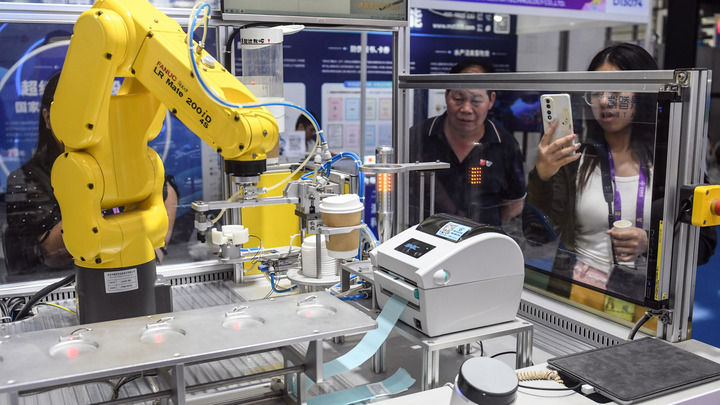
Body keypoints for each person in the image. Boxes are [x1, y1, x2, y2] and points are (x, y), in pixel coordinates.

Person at [3, 73, 179, 281]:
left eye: (94, 113)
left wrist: (153, 256)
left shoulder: (119, 163)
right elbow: (48, 253)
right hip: (57, 284)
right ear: (48, 118)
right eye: (74, 114)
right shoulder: (25, 180)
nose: (86, 125)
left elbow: (165, 192)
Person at [527, 43, 657, 299]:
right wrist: (542, 177)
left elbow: (702, 243)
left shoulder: (669, 160)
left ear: (642, 94)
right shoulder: (575, 158)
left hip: (648, 298)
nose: (605, 101)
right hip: (579, 292)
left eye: (616, 91)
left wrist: (650, 243)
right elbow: (535, 235)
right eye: (597, 92)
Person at [408, 59, 526, 227]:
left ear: (491, 100)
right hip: (426, 237)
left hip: (483, 239)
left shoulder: (505, 144)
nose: (466, 109)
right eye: (458, 98)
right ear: (446, 95)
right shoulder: (418, 136)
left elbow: (513, 205)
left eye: (476, 101)